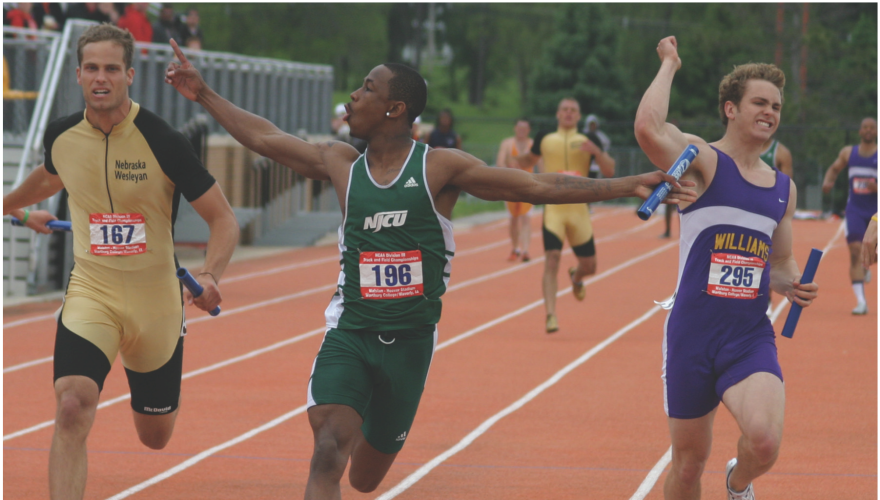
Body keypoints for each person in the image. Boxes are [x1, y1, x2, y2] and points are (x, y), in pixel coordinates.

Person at [165, 40, 694, 500]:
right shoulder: (339, 163)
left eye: (365, 89)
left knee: (367, 479)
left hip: (412, 342)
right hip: (350, 331)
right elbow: (263, 138)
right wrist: (204, 93)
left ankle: (375, 420)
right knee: (328, 450)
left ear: (395, 108)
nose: (352, 96)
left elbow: (536, 187)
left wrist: (625, 185)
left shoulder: (439, 168)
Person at [0, 25, 238, 500]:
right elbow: (50, 178)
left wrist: (210, 273)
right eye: (92, 68)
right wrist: (9, 205)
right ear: (78, 74)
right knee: (72, 405)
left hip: (156, 304)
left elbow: (223, 220)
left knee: (155, 437)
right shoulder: (61, 134)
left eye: (111, 68)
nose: (101, 77)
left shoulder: (163, 140)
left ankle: (155, 378)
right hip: (93, 292)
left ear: (129, 74)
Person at [635, 36, 819, 500]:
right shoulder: (702, 162)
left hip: (747, 335)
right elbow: (648, 128)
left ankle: (738, 484)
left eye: (776, 105)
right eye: (760, 101)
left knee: (765, 440)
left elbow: (778, 263)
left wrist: (792, 284)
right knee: (689, 464)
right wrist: (670, 64)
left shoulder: (783, 189)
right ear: (730, 108)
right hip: (693, 333)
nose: (771, 111)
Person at [516, 98, 615, 333]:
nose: (569, 113)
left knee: (590, 266)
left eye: (573, 110)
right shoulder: (545, 138)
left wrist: (597, 153)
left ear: (579, 116)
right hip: (555, 209)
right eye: (565, 110)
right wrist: (513, 159)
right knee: (551, 259)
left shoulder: (588, 140)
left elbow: (610, 170)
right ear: (558, 114)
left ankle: (577, 277)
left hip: (579, 211)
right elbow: (527, 161)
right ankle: (551, 315)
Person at [821, 117, 878, 315]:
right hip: (854, 209)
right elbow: (834, 169)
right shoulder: (849, 153)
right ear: (860, 131)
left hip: (875, 213)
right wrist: (828, 182)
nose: (868, 130)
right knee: (855, 251)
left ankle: (868, 262)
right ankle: (861, 301)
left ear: (876, 132)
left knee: (871, 252)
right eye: (865, 127)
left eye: (872, 127)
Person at [496, 118, 538, 262]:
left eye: (525, 128)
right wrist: (507, 173)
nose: (522, 130)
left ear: (529, 130)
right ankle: (515, 248)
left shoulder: (533, 145)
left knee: (526, 218)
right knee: (513, 219)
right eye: (519, 127)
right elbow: (500, 162)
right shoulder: (507, 144)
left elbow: (542, 163)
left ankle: (525, 250)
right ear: (515, 128)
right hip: (511, 186)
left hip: (528, 186)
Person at [584, 114, 612, 179]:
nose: (592, 126)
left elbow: (605, 146)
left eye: (593, 124)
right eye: (591, 124)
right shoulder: (583, 135)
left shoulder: (601, 137)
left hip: (597, 162)